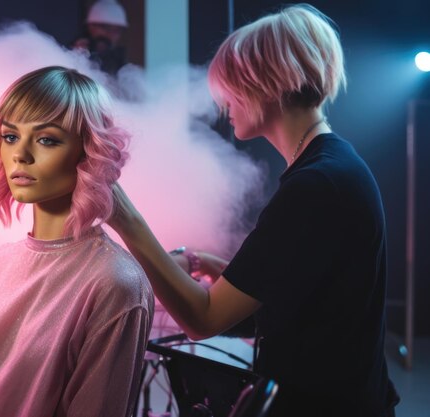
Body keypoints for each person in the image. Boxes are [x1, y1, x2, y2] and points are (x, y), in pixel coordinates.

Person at [108, 4, 399, 417]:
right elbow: (308, 290)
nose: (223, 101)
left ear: (267, 83)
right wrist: (220, 266)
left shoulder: (316, 185)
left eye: (229, 86)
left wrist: (125, 218)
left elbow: (202, 319)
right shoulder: (331, 165)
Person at [0, 66, 154, 417]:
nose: (21, 154)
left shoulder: (115, 283)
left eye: (47, 139)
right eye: (11, 136)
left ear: (87, 152)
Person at [72, 0, 128, 75]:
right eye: (105, 27)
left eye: (116, 30)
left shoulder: (119, 62)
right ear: (90, 26)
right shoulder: (74, 52)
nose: (109, 34)